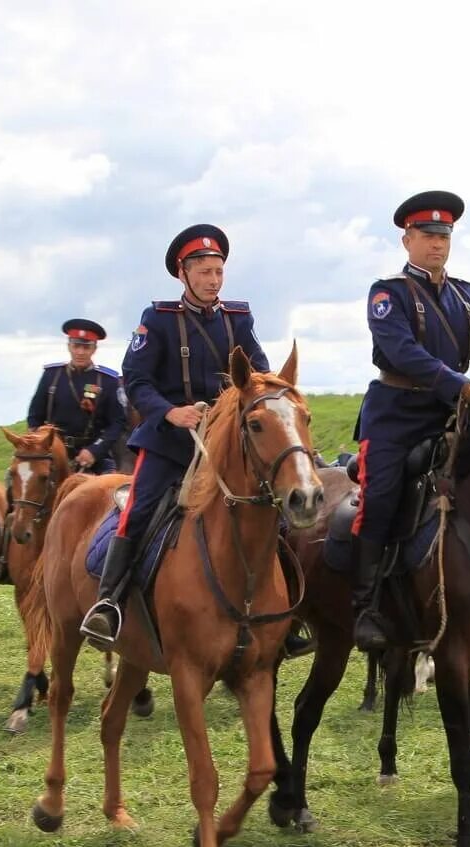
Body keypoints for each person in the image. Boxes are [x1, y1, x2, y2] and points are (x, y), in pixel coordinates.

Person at [79, 224, 273, 648]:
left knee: (270, 502)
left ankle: (279, 612)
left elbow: (258, 371)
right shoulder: (158, 320)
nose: (213, 280)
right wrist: (170, 412)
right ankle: (109, 603)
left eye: (218, 271)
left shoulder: (238, 318)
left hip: (225, 445)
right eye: (203, 271)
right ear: (182, 274)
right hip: (169, 442)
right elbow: (136, 378)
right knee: (139, 509)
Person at [351, 191, 470, 652]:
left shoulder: (466, 294)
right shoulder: (388, 293)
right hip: (396, 415)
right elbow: (405, 353)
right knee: (380, 497)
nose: (437, 244)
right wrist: (460, 386)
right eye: (427, 235)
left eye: (444, 236)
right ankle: (365, 606)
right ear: (407, 240)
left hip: (454, 413)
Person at [26, 319, 126, 473]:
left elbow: (117, 423)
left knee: (113, 491)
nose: (80, 352)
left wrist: (95, 450)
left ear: (94, 349)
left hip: (93, 454)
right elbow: (34, 416)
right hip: (52, 454)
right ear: (69, 346)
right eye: (76, 346)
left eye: (86, 347)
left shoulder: (108, 380)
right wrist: (39, 444)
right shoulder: (52, 375)